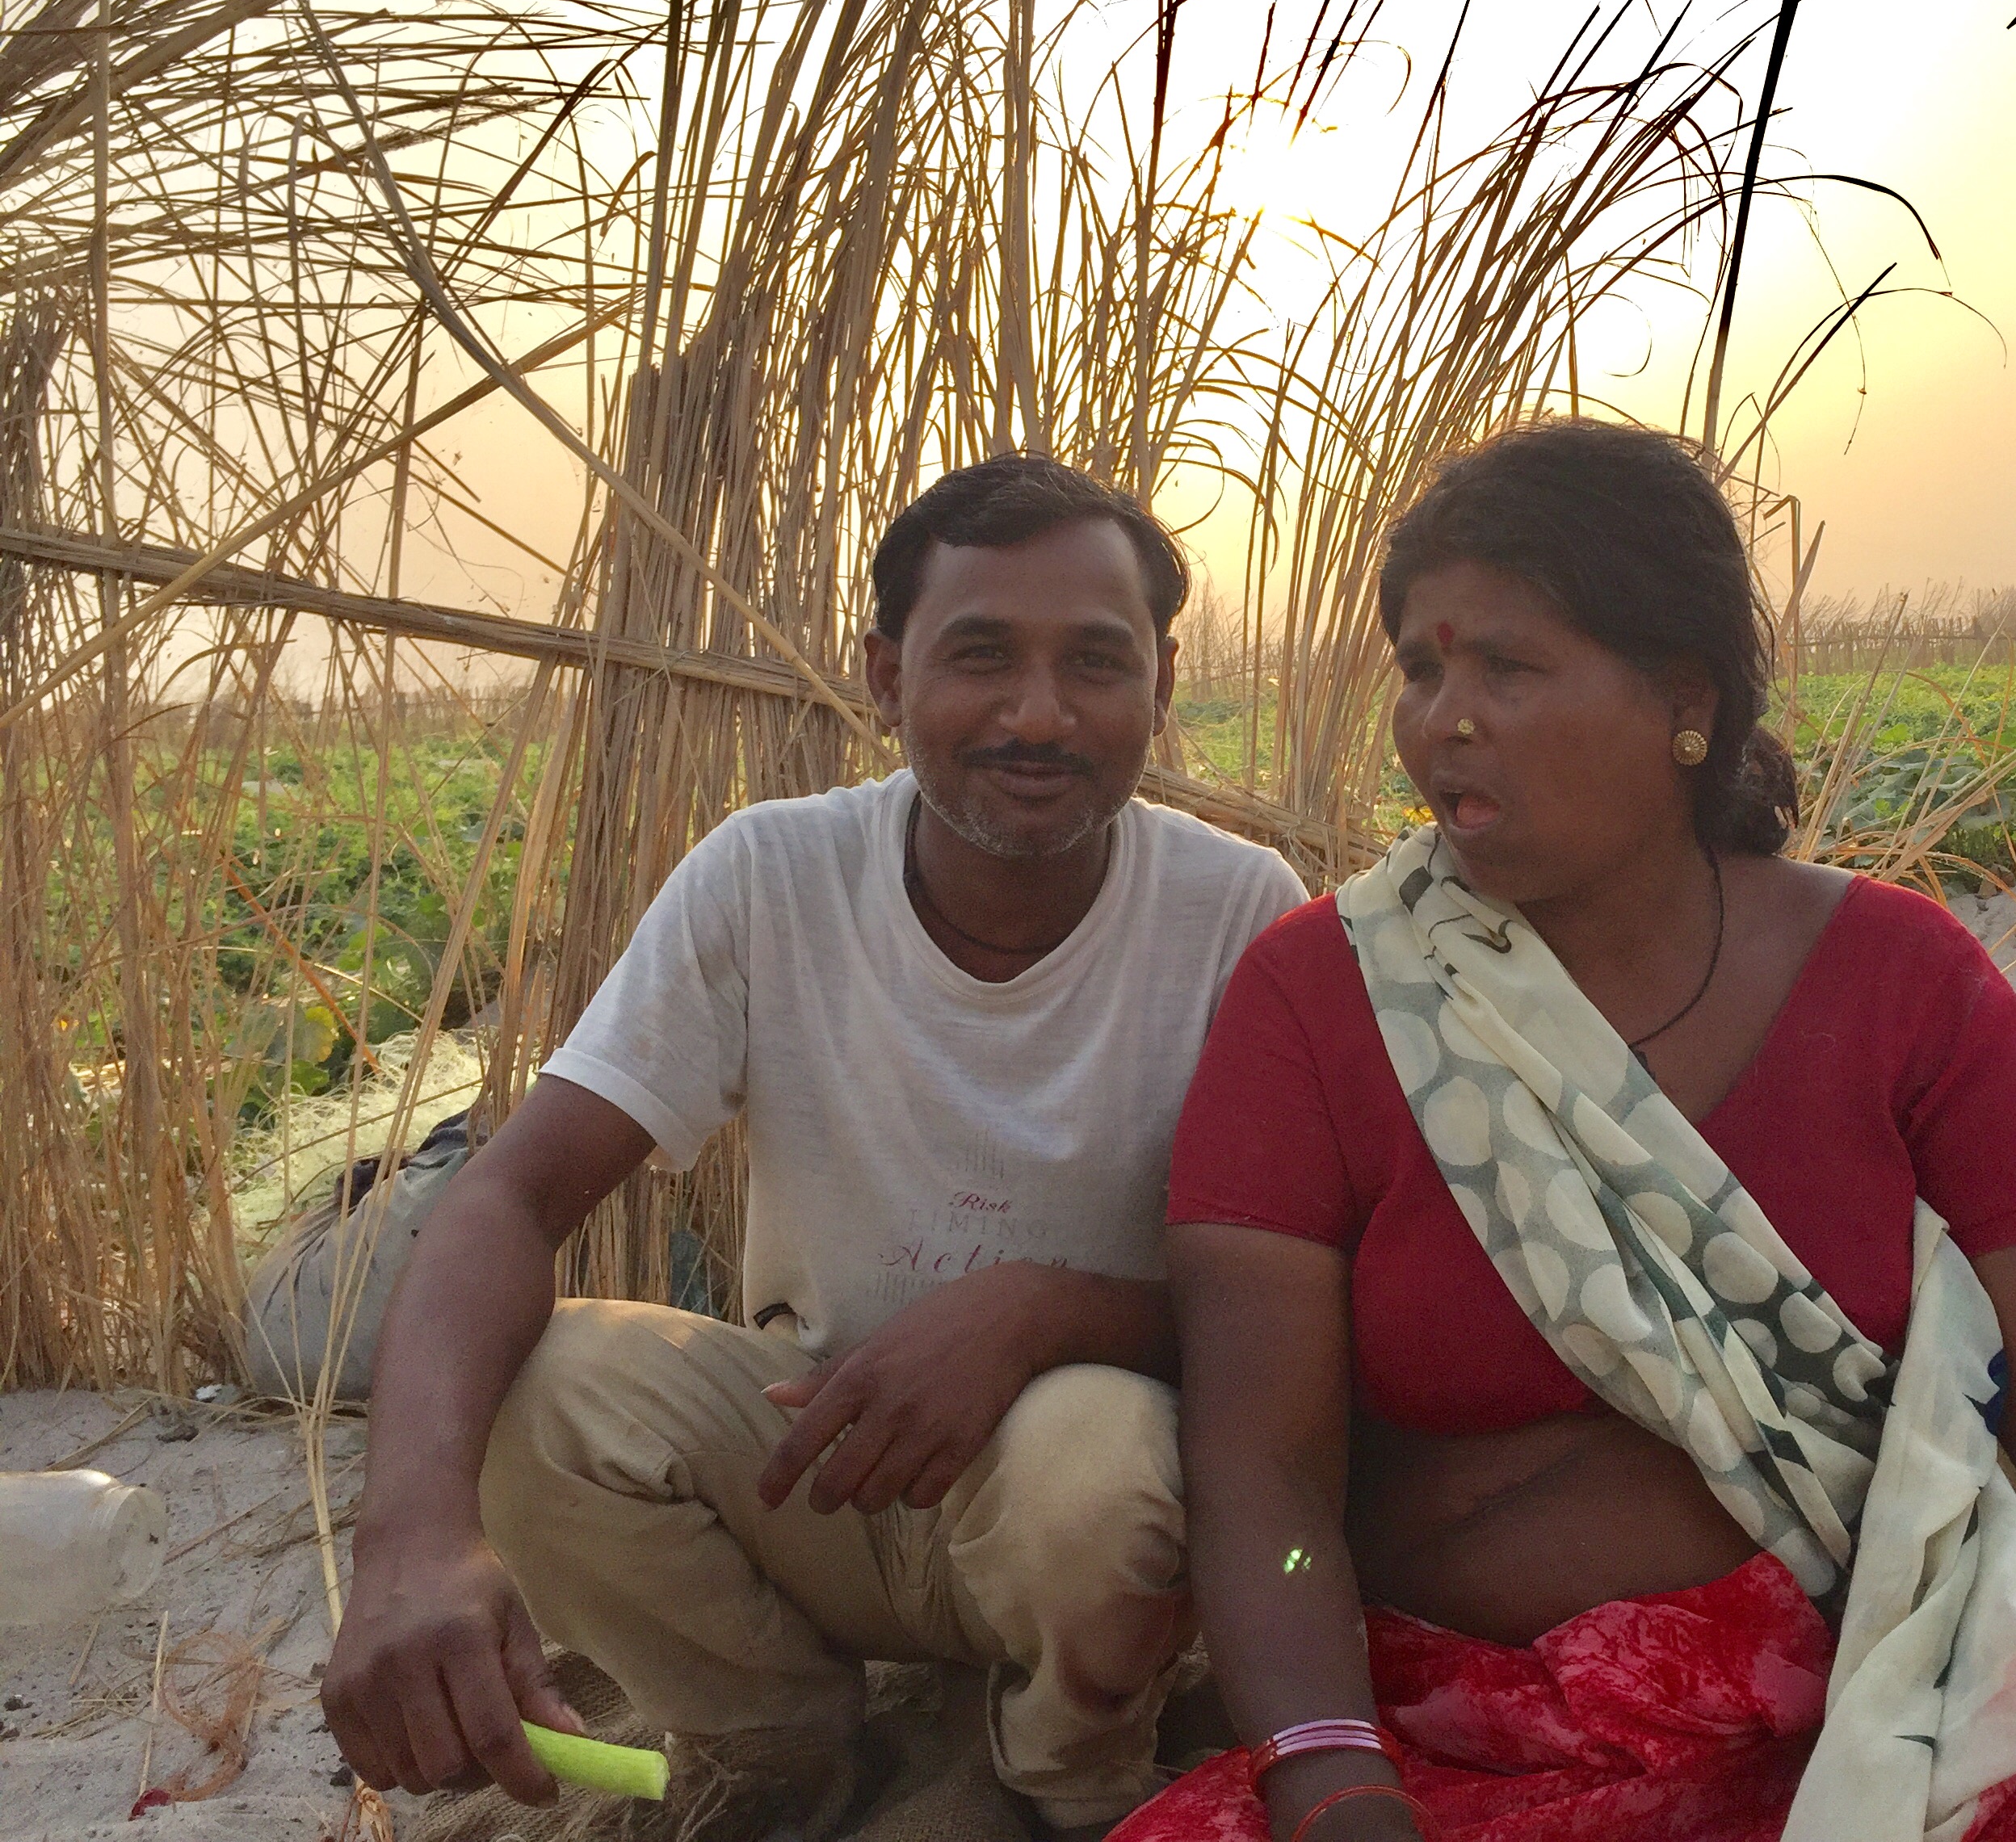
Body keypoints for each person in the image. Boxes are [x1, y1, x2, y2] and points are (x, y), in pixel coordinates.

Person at [1128, 421, 2016, 1842]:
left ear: (1683, 700)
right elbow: (1261, 1463)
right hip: (1448, 1747)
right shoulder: (1330, 996)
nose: (1441, 717)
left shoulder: (1904, 984)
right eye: (1420, 668)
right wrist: (1331, 1779)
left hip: (1883, 1716)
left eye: (1506, 667)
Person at [321, 456, 1307, 1840]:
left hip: (1084, 1526)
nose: (1040, 714)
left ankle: (1070, 1773)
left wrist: (1040, 1315)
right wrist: (410, 1539)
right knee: (541, 1392)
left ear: (1162, 682)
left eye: (1096, 662)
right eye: (982, 657)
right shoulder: (770, 875)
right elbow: (508, 1197)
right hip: (818, 1463)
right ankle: (773, 1739)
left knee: (1101, 1458)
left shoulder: (1239, 910)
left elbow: (1296, 1316)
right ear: (886, 676)